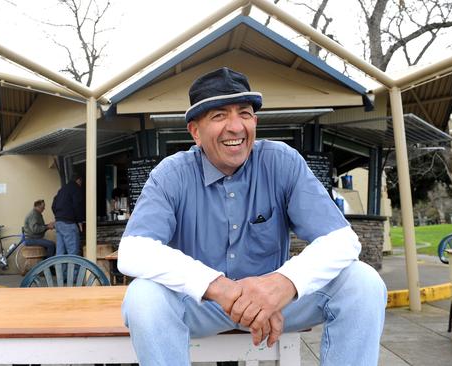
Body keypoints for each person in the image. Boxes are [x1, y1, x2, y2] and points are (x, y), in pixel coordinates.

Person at [117, 67, 387, 366]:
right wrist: (220, 288)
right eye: (219, 115)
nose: (235, 127)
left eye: (244, 113)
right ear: (195, 131)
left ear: (254, 121)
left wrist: (283, 284)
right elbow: (133, 250)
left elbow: (342, 240)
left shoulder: (281, 162)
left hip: (276, 303)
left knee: (362, 282)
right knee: (144, 297)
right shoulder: (171, 174)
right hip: (202, 304)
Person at [51, 173, 85, 256]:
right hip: (68, 223)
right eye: (81, 182)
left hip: (59, 223)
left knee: (60, 253)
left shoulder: (62, 189)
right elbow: (77, 205)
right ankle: (75, 270)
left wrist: (59, 216)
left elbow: (53, 206)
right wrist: (80, 221)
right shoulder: (76, 188)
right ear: (78, 180)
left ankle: (60, 269)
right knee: (73, 253)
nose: (81, 184)